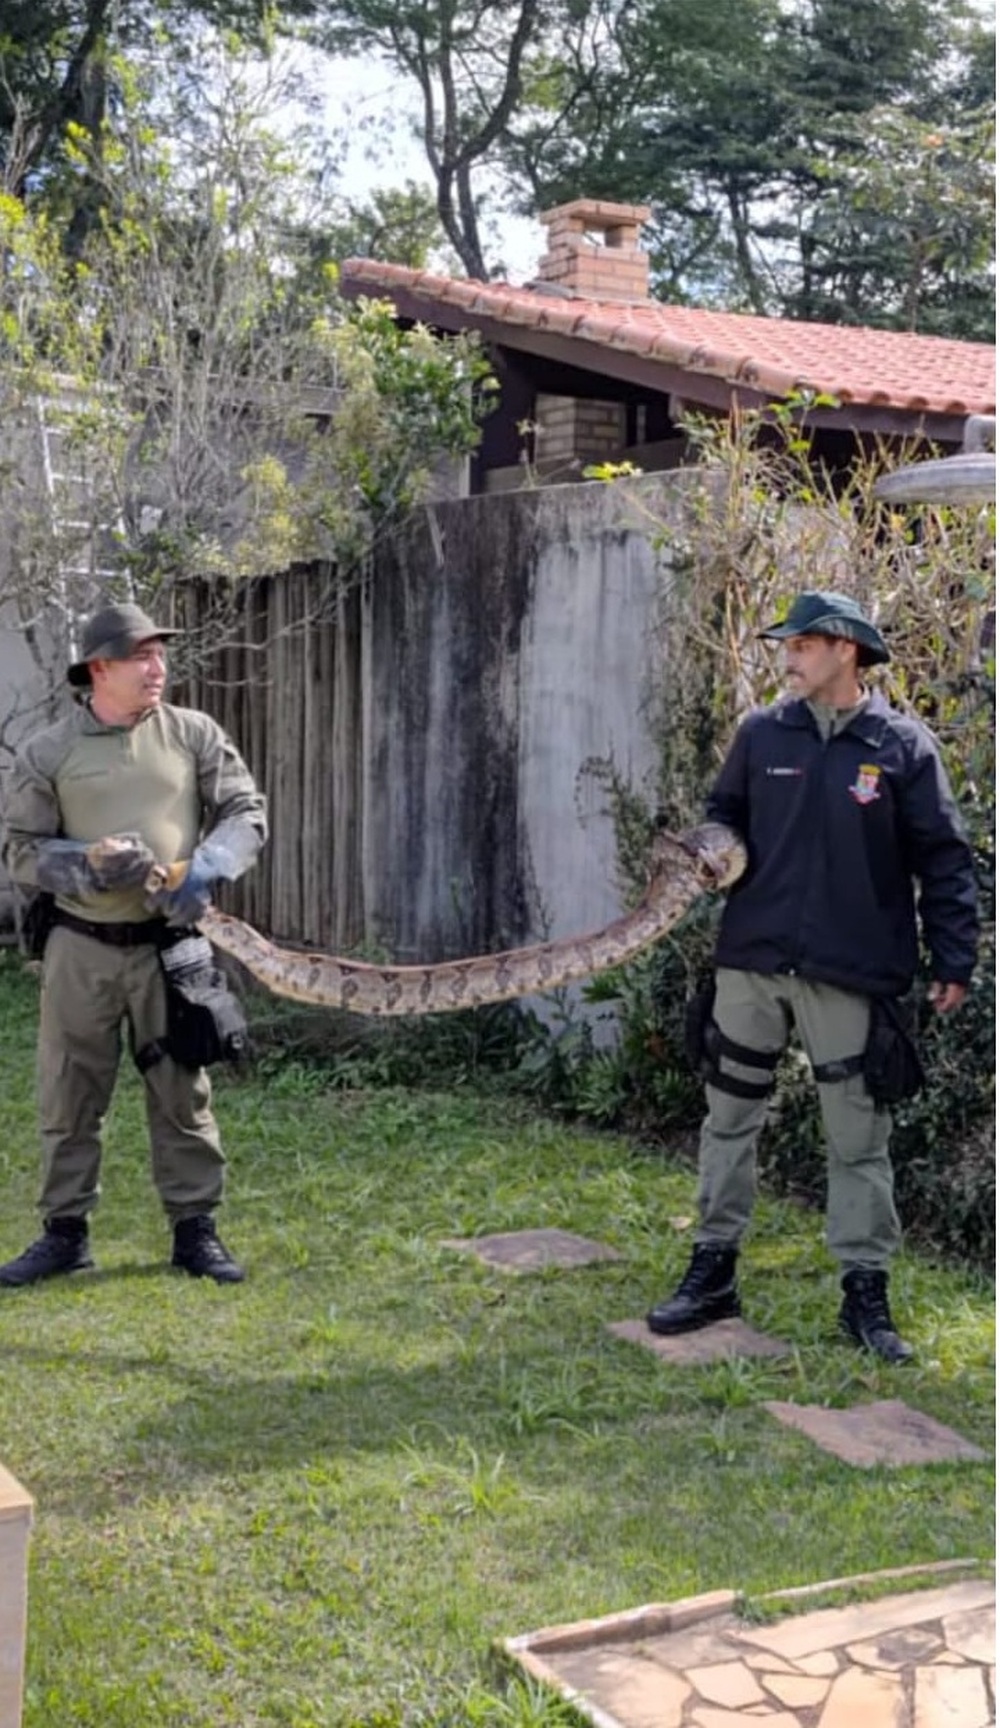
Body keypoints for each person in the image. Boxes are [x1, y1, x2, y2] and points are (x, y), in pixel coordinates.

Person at [647, 590, 978, 1363]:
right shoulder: (763, 734)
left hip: (852, 971)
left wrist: (954, 958)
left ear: (845, 650)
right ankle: (713, 1271)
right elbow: (720, 816)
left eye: (801, 645)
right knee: (728, 1119)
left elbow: (944, 860)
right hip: (753, 963)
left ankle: (864, 1296)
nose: (788, 657)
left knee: (858, 1139)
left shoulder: (902, 747)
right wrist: (710, 852)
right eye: (787, 646)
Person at [1, 602, 267, 1287]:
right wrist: (85, 863)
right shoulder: (49, 752)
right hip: (79, 948)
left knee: (183, 1088)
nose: (158, 668)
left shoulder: (191, 733)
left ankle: (195, 1231)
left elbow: (246, 811)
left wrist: (206, 868)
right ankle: (64, 1234)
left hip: (169, 947)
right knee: (68, 1094)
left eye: (160, 654)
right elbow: (21, 851)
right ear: (99, 669)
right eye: (140, 656)